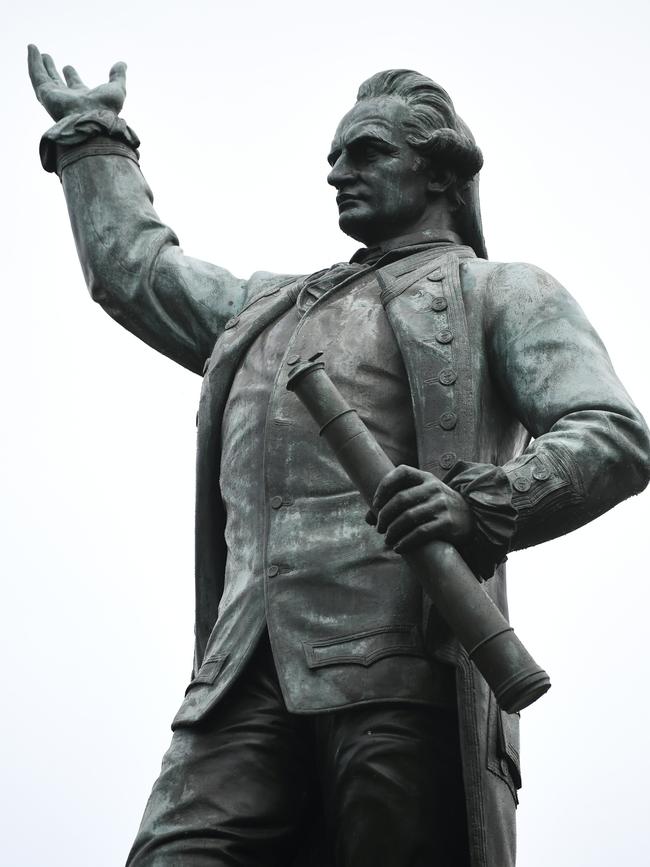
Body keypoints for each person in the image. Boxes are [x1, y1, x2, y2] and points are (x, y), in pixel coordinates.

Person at [28, 45, 649, 867]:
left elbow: (610, 432)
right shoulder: (263, 309)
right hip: (241, 675)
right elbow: (136, 273)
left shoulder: (502, 292)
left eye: (366, 152)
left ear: (439, 172)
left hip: (400, 671)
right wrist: (92, 135)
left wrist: (481, 501)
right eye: (332, 157)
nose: (336, 174)